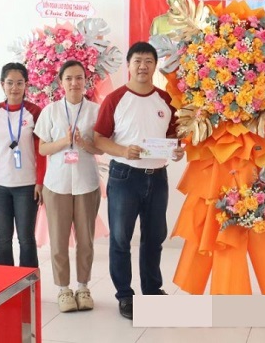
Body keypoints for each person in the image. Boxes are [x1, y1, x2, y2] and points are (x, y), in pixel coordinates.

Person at [94, 41, 184, 320]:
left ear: (155, 66)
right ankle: (125, 295)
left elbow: (172, 136)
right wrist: (123, 150)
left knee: (154, 237)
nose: (143, 66)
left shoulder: (166, 100)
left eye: (148, 61)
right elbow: (98, 139)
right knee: (121, 238)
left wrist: (177, 149)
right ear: (129, 66)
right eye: (137, 61)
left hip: (157, 177)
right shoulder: (115, 99)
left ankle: (152, 290)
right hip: (124, 176)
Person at [34, 60, 104, 313]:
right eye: (69, 78)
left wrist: (84, 143)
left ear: (86, 81)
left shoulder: (96, 110)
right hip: (57, 184)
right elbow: (42, 148)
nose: (74, 83)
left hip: (86, 182)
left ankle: (83, 286)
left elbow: (102, 147)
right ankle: (64, 290)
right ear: (61, 82)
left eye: (79, 78)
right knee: (59, 240)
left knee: (86, 240)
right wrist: (65, 141)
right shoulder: (50, 111)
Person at [0, 62, 45, 268]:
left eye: (19, 83)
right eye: (10, 83)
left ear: (26, 84)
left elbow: (41, 152)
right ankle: (4, 285)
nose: (14, 88)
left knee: (26, 239)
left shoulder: (34, 111)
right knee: (2, 239)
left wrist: (40, 182)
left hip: (26, 185)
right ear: (2, 84)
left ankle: (29, 285)